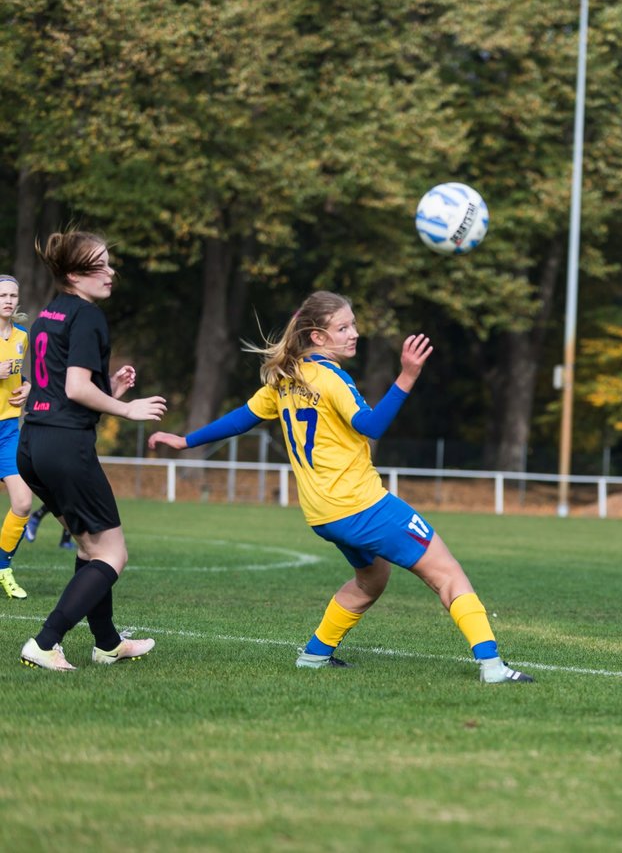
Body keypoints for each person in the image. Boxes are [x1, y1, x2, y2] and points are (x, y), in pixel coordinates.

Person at [148, 291, 534, 684]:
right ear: (317, 336)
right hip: (362, 505)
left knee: (371, 580)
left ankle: (315, 656)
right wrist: (407, 376)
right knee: (448, 574)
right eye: (343, 327)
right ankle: (492, 668)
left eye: (354, 324)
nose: (355, 334)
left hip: (324, 514)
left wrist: (186, 441)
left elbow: (241, 419)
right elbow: (371, 426)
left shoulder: (288, 378)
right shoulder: (331, 378)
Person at [18, 231, 167, 671]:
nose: (110, 272)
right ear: (72, 274)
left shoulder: (47, 316)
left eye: (108, 263)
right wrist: (126, 407)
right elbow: (76, 388)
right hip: (65, 449)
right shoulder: (87, 316)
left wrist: (111, 387)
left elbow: (63, 392)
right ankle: (45, 642)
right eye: (99, 265)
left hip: (35, 446)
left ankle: (107, 643)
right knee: (112, 554)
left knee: (88, 547)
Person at [0, 274, 34, 599]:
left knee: (23, 502)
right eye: (2, 296)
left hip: (9, 431)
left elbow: (19, 375)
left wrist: (25, 387)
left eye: (12, 296)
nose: (8, 301)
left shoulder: (22, 336)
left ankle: (3, 567)